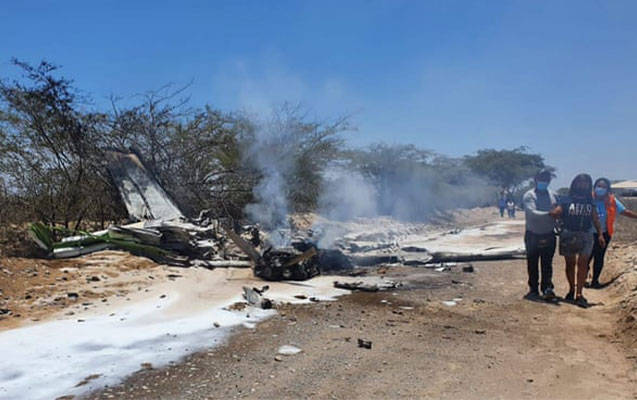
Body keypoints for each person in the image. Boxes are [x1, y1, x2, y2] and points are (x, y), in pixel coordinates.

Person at [551, 174, 605, 308]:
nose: (582, 184)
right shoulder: (566, 199)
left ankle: (579, 293)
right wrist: (555, 211)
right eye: (580, 182)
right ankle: (571, 289)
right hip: (568, 233)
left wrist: (600, 234)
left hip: (586, 234)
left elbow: (595, 218)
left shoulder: (590, 201)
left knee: (583, 264)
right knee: (570, 264)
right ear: (574, 183)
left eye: (585, 182)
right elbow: (558, 211)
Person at [587, 178, 637, 288]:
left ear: (607, 189)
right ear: (594, 187)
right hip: (588, 233)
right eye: (599, 186)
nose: (600, 189)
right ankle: (582, 278)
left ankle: (595, 281)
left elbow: (624, 211)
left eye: (603, 187)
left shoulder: (611, 200)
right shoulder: (588, 198)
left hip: (605, 233)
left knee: (599, 257)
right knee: (586, 256)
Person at [523, 169, 558, 300]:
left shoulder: (554, 195)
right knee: (532, 262)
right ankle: (533, 288)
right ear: (536, 179)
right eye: (541, 178)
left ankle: (547, 287)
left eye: (546, 179)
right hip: (533, 234)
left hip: (549, 234)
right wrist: (550, 214)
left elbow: (559, 209)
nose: (544, 181)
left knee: (547, 263)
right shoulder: (529, 195)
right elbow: (532, 212)